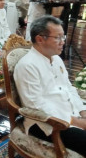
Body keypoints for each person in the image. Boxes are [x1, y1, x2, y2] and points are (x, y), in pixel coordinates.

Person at [14, 15, 86, 157]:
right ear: (40, 39)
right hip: (47, 123)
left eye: (63, 37)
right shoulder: (27, 65)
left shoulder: (56, 59)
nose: (63, 42)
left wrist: (83, 111)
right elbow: (35, 105)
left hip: (71, 113)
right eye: (58, 37)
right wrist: (77, 122)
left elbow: (68, 89)